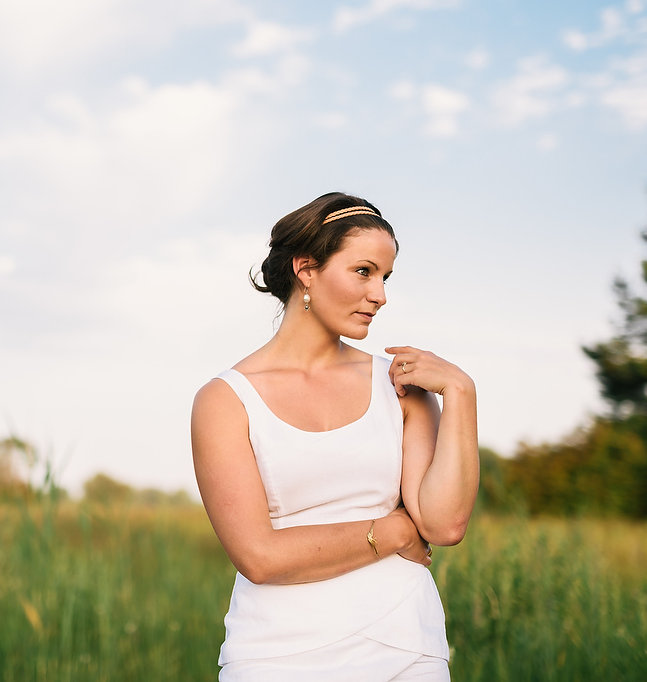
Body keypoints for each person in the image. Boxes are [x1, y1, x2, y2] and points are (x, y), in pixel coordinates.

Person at [191, 193, 479, 681]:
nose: (380, 295)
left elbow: (444, 525)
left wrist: (461, 392)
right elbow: (259, 557)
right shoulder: (225, 400)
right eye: (363, 271)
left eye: (385, 278)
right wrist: (392, 530)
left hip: (404, 643)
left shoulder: (402, 386)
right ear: (306, 269)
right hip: (274, 653)